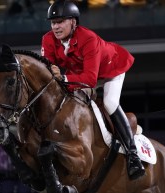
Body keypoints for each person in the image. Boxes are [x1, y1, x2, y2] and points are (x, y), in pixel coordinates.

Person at [41, 0, 145, 180]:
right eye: (53, 23)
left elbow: (89, 79)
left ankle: (133, 155)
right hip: (80, 73)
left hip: (111, 69)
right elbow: (48, 70)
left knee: (109, 103)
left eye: (60, 22)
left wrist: (63, 78)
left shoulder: (88, 38)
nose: (55, 27)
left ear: (73, 22)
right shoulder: (48, 39)